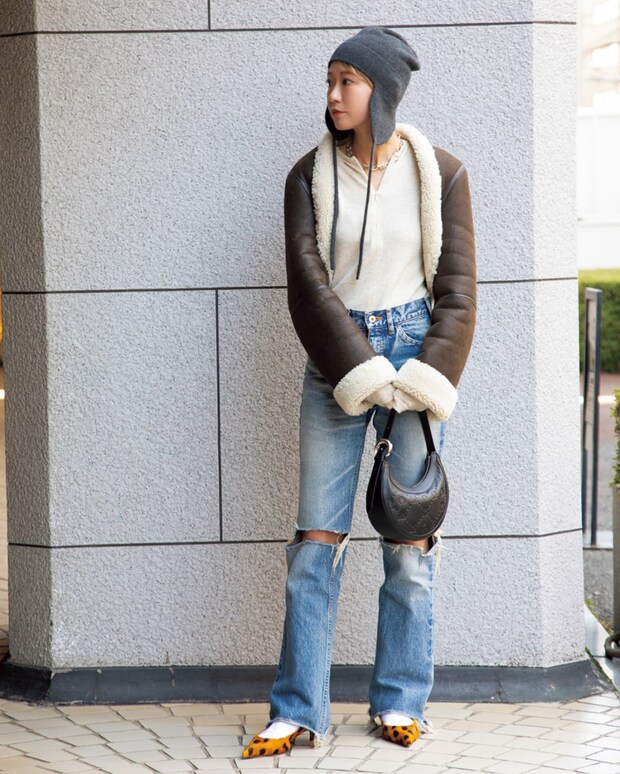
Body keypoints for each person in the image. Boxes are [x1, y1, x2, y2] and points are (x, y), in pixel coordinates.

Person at [242, 25, 476, 760]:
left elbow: (458, 291)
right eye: (330, 80)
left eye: (348, 80)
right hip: (336, 359)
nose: (334, 94)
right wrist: (357, 368)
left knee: (409, 538)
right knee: (316, 540)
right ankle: (296, 711)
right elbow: (307, 285)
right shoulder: (307, 176)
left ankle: (401, 702)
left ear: (385, 90)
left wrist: (427, 375)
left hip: (415, 355)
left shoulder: (441, 173)